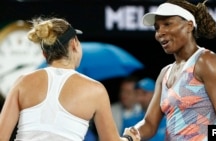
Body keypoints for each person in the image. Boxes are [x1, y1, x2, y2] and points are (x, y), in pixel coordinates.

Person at [0, 16, 139, 141]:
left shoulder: (22, 82)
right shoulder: (96, 90)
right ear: (74, 45)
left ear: (44, 54)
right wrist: (129, 138)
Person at [123, 0, 216, 140]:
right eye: (157, 27)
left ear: (189, 25)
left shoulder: (207, 61)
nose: (160, 33)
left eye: (167, 24)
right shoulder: (164, 73)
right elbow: (149, 124)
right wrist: (129, 137)